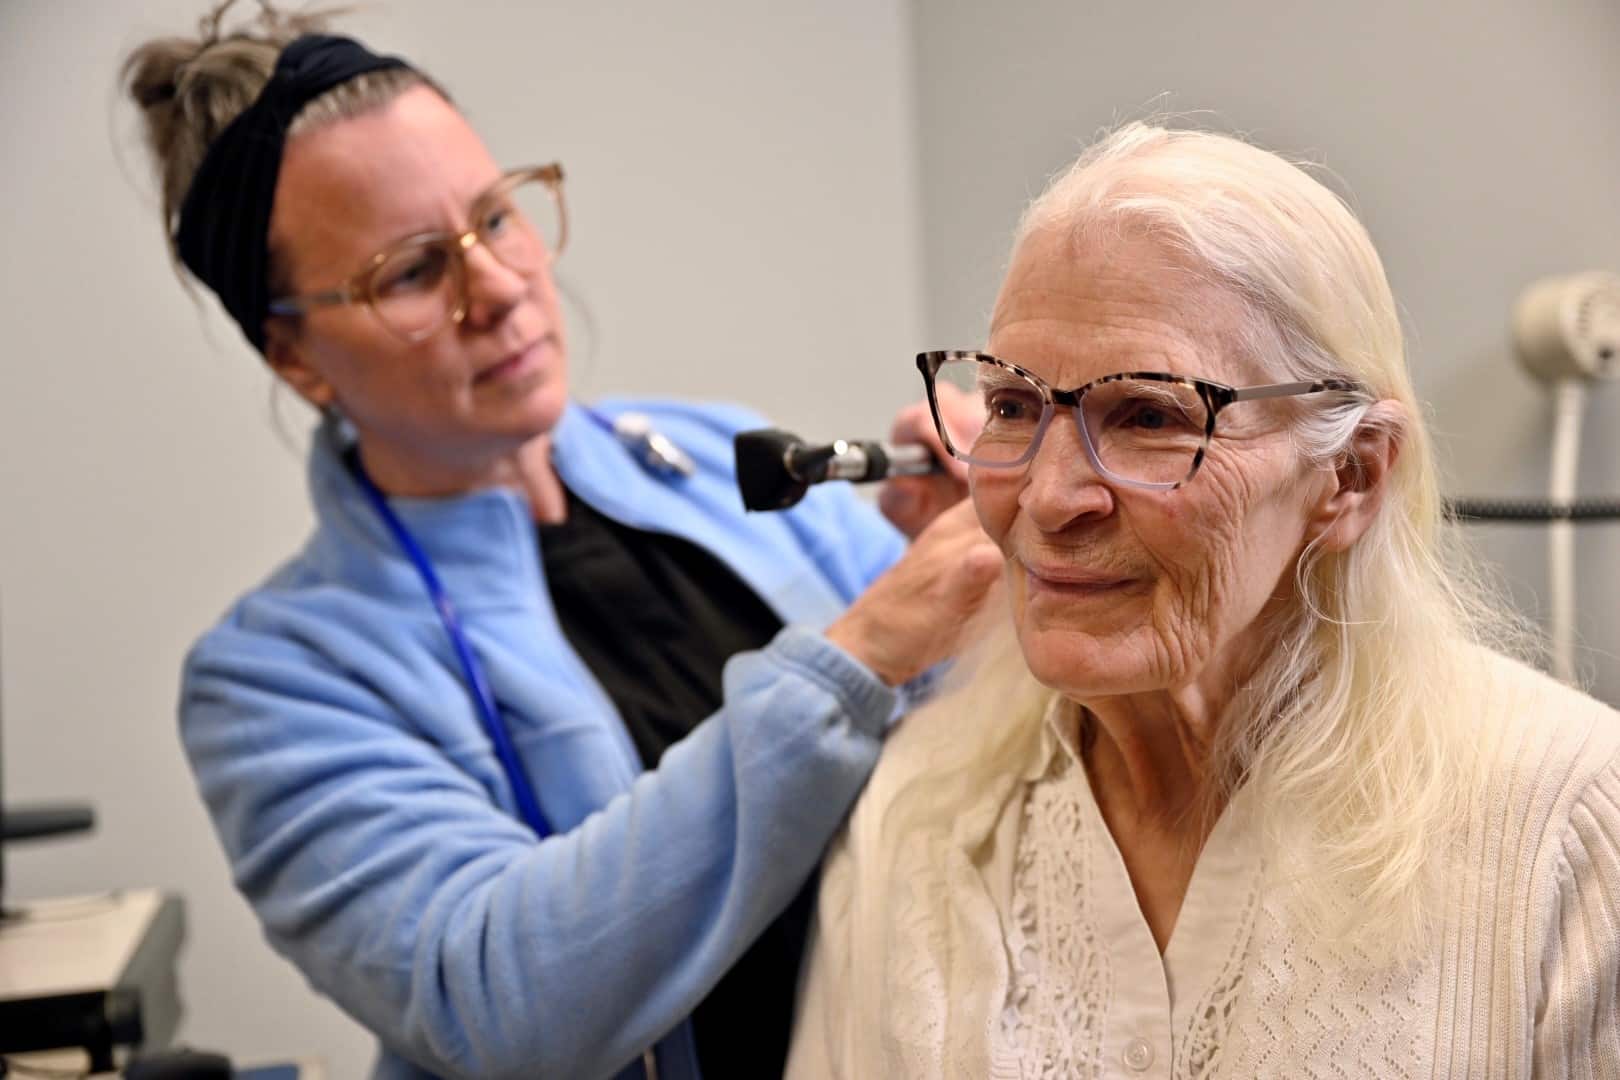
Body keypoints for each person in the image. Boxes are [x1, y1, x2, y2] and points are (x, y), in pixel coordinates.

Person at [121, 4, 999, 1078]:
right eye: (407, 272)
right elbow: (499, 1002)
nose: (495, 290)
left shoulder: (714, 451)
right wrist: (863, 652)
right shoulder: (276, 683)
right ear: (295, 356)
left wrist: (981, 584)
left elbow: (971, 782)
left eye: (495, 218)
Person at [788, 122, 1620, 1077]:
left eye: (1148, 416)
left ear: (1348, 476)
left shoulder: (1568, 832)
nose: (1051, 497)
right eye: (1015, 406)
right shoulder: (916, 811)